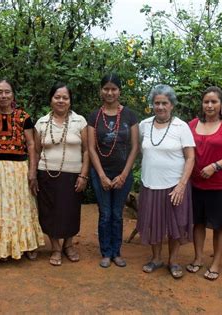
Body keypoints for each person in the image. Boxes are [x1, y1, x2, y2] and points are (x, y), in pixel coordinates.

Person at [0, 79, 44, 262]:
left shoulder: (23, 117)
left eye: (7, 92)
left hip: (17, 170)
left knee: (21, 209)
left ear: (13, 94)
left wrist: (32, 172)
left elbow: (31, 144)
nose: (3, 96)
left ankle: (25, 245)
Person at [136, 84, 196, 279]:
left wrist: (181, 185)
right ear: (152, 104)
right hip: (150, 184)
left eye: (164, 103)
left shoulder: (181, 126)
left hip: (174, 185)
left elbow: (190, 158)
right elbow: (140, 151)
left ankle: (174, 261)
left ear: (172, 105)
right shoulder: (144, 125)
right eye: (157, 103)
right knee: (153, 223)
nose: (160, 107)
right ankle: (156, 259)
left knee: (175, 224)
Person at [186, 86, 222, 280]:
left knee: (219, 226)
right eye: (206, 102)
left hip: (220, 184)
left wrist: (215, 166)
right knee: (198, 223)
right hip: (195, 184)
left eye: (213, 102)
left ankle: (216, 263)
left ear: (221, 104)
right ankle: (198, 258)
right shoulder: (192, 124)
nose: (209, 105)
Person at [33, 82, 89, 266]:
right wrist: (32, 174)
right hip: (46, 174)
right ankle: (56, 248)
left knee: (70, 212)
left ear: (70, 101)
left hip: (73, 175)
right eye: (57, 97)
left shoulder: (80, 121)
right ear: (51, 99)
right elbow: (35, 151)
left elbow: (87, 151)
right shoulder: (41, 123)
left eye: (65, 97)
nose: (61, 101)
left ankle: (69, 245)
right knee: (49, 212)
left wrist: (83, 175)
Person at [87, 73, 139, 268]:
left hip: (122, 173)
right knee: (105, 213)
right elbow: (91, 148)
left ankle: (117, 252)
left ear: (119, 91)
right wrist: (100, 175)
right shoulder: (94, 116)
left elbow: (135, 147)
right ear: (101, 90)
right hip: (100, 172)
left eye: (114, 89)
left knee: (117, 213)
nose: (110, 92)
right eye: (106, 88)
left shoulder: (129, 115)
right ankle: (106, 253)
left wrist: (124, 175)